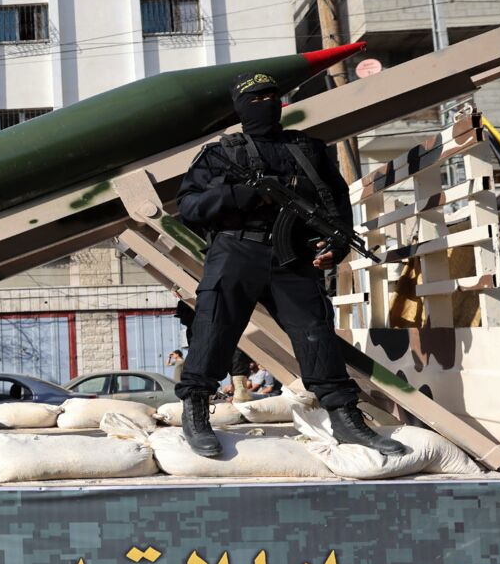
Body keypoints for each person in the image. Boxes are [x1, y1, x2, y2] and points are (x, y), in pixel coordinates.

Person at [173, 72, 403, 458]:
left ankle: (345, 419)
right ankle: (196, 411)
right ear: (241, 107)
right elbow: (190, 207)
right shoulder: (221, 153)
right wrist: (240, 196)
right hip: (235, 251)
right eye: (256, 99)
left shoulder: (307, 149)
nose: (266, 105)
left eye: (272, 97)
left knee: (316, 334)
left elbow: (336, 203)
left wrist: (338, 242)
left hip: (291, 254)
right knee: (214, 329)